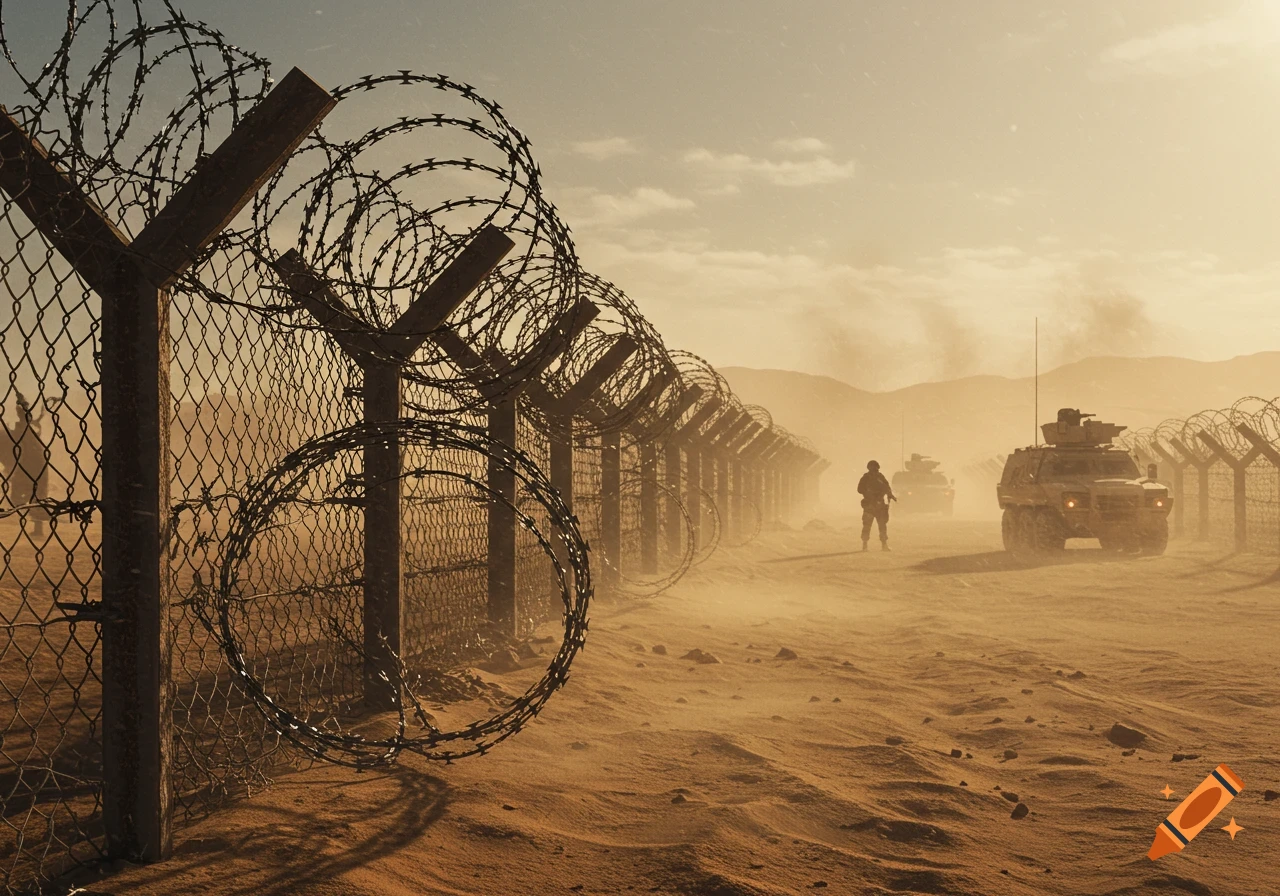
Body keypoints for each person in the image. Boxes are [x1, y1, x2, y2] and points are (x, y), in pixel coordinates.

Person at [2, 392, 49, 537]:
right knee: (36, 495)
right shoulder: (27, 430)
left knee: (24, 495)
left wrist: (22, 403)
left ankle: (37, 522)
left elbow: (16, 450)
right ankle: (38, 525)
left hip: (30, 467)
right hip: (35, 466)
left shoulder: (24, 430)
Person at [857, 459, 895, 551]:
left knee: (880, 525)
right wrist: (869, 493)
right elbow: (860, 489)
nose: (874, 470)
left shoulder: (879, 477)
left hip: (878, 505)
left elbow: (887, 488)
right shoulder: (867, 477)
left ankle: (882, 545)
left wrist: (890, 495)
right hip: (871, 505)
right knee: (869, 525)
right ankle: (867, 545)